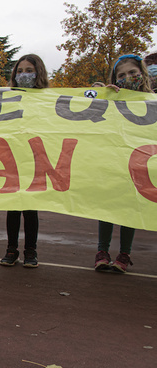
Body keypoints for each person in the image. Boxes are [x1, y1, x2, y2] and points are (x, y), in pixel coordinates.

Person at [94, 54, 154, 273]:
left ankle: (124, 254)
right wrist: (103, 95)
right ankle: (102, 252)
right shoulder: (111, 98)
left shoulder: (152, 100)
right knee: (107, 205)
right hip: (113, 161)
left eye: (132, 73)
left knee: (129, 207)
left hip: (139, 164)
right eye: (121, 75)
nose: (127, 78)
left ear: (141, 74)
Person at [0, 54, 50, 269]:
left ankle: (31, 250)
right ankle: (12, 249)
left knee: (30, 208)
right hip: (14, 157)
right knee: (13, 206)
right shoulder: (7, 97)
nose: (23, 75)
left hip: (35, 158)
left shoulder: (49, 98)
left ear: (38, 72)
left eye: (28, 70)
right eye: (19, 71)